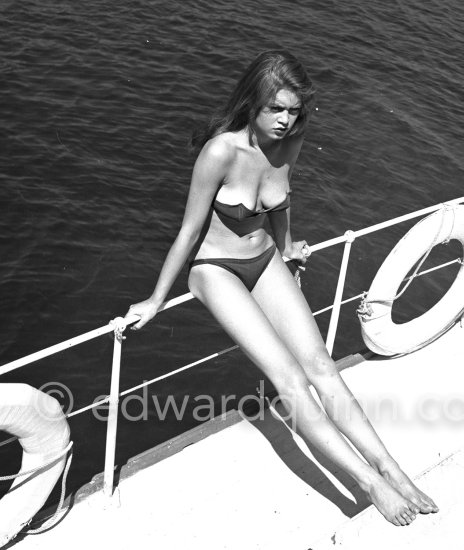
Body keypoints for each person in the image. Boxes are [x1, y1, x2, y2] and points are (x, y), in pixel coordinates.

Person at [122, 50, 438, 526]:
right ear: (253, 102)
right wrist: (156, 299)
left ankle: (392, 468)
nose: (286, 121)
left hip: (266, 257)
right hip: (216, 270)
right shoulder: (220, 152)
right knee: (290, 380)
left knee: (322, 368)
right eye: (277, 109)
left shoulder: (291, 141)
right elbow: (189, 232)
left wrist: (288, 246)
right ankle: (368, 482)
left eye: (293, 111)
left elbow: (282, 199)